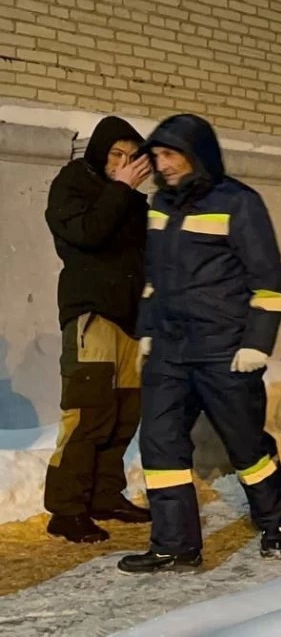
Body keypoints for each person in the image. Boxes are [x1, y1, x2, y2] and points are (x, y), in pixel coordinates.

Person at [118, 114, 281, 573]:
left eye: (170, 154)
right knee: (160, 444)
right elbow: (154, 281)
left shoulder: (239, 203)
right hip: (170, 351)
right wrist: (148, 333)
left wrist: (256, 343)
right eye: (156, 156)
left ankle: (273, 520)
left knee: (245, 446)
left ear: (197, 155)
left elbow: (269, 281)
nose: (162, 164)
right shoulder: (159, 205)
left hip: (224, 351)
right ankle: (176, 545)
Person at [43, 116, 153, 543]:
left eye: (132, 157)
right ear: (101, 153)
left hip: (131, 320)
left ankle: (105, 494)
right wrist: (122, 187)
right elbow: (86, 234)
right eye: (117, 155)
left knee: (125, 412)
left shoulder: (131, 202)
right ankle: (66, 509)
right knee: (87, 412)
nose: (125, 164)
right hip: (92, 314)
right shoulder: (73, 185)